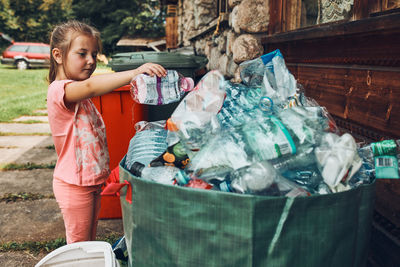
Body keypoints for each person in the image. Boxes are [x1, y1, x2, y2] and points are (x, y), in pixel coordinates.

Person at [47, 20, 166, 244]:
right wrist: (135, 72)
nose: (91, 61)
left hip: (89, 183)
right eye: (82, 54)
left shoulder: (79, 93)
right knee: (78, 246)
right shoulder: (59, 91)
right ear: (58, 55)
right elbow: (91, 86)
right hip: (74, 185)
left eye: (94, 54)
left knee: (88, 241)